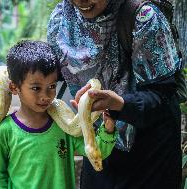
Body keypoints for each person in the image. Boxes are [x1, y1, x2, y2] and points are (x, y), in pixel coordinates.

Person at [48, 0, 182, 189]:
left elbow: (164, 96)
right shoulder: (61, 19)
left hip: (149, 156)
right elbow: (54, 75)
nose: (80, 1)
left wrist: (119, 103)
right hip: (98, 146)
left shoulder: (144, 18)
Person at [0, 40, 117, 189]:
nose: (46, 96)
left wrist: (108, 130)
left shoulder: (66, 125)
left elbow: (96, 152)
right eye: (36, 88)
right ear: (14, 87)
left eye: (51, 86)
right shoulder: (6, 130)